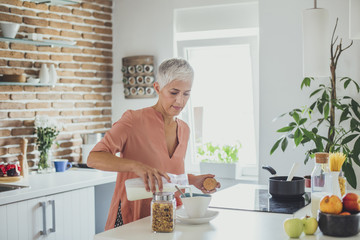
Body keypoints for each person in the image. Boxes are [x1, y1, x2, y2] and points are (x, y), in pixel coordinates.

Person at [87, 58, 220, 230]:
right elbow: (93, 158)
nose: (180, 101)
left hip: (168, 219)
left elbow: (168, 176)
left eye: (186, 93)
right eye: (174, 92)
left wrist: (193, 180)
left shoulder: (184, 129)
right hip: (131, 219)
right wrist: (135, 166)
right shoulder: (133, 120)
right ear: (157, 88)